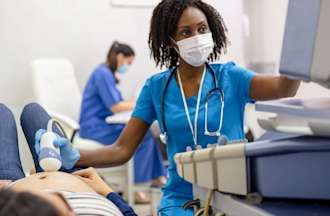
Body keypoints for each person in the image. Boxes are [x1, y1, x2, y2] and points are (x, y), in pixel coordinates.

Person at [36, 0, 301, 215]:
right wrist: (73, 155)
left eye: (202, 29)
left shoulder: (232, 77)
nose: (196, 37)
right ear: (171, 41)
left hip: (233, 195)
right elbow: (121, 150)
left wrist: (302, 36)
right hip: (181, 200)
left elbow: (284, 88)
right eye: (186, 32)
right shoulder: (156, 88)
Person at [0, 103, 137, 216]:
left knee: (3, 113)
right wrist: (108, 192)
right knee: (32, 111)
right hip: (75, 181)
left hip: (10, 197)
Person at [79, 42, 166, 202]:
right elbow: (115, 106)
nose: (127, 67)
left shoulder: (108, 74)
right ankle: (137, 188)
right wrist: (143, 102)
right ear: (119, 56)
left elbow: (116, 104)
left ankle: (158, 176)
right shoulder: (102, 74)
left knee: (145, 132)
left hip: (103, 124)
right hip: (94, 127)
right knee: (141, 135)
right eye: (128, 62)